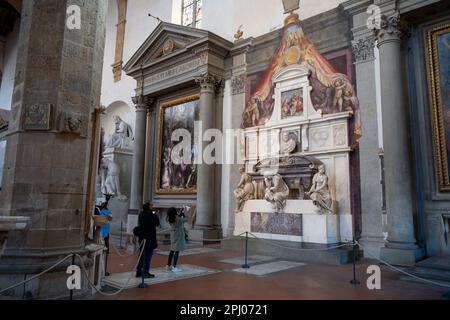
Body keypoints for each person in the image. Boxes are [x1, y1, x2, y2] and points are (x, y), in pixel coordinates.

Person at [136, 202, 160, 278]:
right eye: (152, 205)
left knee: (142, 255)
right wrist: (155, 214)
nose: (153, 206)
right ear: (149, 206)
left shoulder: (141, 214)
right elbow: (157, 223)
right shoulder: (150, 214)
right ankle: (146, 272)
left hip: (142, 237)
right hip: (149, 238)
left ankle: (139, 271)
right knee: (148, 256)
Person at [166, 207, 188, 273]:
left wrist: (181, 214)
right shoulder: (177, 219)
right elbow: (185, 220)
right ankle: (174, 267)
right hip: (178, 235)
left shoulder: (169, 218)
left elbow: (178, 218)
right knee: (177, 250)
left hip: (173, 234)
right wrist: (184, 214)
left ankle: (168, 265)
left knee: (172, 250)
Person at [98, 200, 112, 276]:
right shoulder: (108, 212)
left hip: (101, 232)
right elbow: (111, 219)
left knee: (102, 251)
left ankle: (102, 269)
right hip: (105, 233)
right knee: (105, 251)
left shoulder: (99, 211)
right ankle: (103, 270)